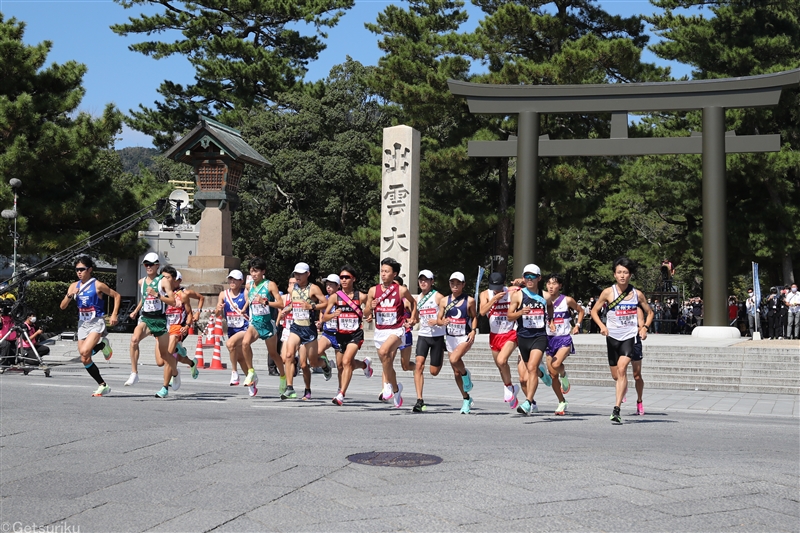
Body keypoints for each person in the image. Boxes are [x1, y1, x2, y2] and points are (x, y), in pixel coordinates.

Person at [590, 257, 653, 424]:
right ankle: (622, 391)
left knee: (623, 368)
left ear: (630, 275)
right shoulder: (608, 292)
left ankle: (616, 409)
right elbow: (594, 311)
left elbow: (650, 312)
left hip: (629, 336)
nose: (622, 275)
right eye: (619, 272)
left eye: (625, 272)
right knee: (616, 375)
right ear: (614, 275)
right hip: (612, 337)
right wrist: (602, 326)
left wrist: (644, 327)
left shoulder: (637, 294)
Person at [59, 256, 120, 396]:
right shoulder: (74, 286)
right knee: (84, 358)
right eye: (77, 270)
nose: (79, 272)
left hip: (96, 322)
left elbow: (116, 296)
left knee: (85, 351)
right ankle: (102, 384)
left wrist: (114, 314)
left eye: (82, 269)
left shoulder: (97, 285)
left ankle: (102, 345)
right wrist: (70, 295)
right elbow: (62, 306)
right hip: (83, 323)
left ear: (90, 270)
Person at [364, 257, 417, 409]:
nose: (383, 274)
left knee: (384, 352)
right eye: (382, 271)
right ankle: (396, 389)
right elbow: (366, 311)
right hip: (380, 330)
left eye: (387, 271)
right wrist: (371, 307)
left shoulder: (401, 290)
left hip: (396, 329)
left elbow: (413, 302)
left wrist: (413, 318)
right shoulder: (373, 290)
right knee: (385, 360)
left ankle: (387, 385)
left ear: (395, 274)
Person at [124, 253, 178, 395]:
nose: (148, 267)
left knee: (164, 356)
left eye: (151, 264)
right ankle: (134, 373)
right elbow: (144, 298)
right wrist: (136, 310)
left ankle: (176, 373)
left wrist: (158, 295)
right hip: (146, 318)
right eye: (146, 264)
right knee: (134, 340)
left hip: (160, 320)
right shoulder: (141, 282)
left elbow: (173, 301)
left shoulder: (163, 281)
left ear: (157, 265)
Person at [320, 265, 373, 406]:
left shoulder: (361, 296)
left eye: (347, 277)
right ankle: (364, 364)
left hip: (355, 334)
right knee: (342, 365)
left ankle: (341, 394)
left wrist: (369, 315)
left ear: (353, 279)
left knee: (346, 361)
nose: (343, 280)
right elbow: (324, 318)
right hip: (340, 335)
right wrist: (333, 315)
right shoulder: (334, 297)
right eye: (341, 277)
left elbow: (368, 312)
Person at [281, 262, 333, 400]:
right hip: (296, 327)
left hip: (309, 329)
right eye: (295, 273)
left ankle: (324, 365)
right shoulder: (293, 289)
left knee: (310, 363)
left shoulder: (313, 288)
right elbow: (293, 303)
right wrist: (287, 310)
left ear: (307, 274)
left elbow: (326, 303)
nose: (297, 276)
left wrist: (312, 306)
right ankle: (290, 388)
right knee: (289, 355)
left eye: (300, 274)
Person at [507, 264, 551, 416]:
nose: (529, 279)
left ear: (539, 278)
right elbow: (509, 316)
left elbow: (550, 306)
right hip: (523, 337)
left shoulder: (545, 296)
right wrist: (520, 312)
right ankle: (542, 373)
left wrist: (550, 320)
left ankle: (528, 402)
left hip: (539, 337)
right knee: (531, 370)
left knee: (531, 368)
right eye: (526, 276)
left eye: (533, 276)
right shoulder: (518, 295)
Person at [479, 271, 522, 410]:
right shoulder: (485, 294)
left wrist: (520, 283)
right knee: (500, 366)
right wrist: (494, 300)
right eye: (493, 287)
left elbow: (530, 291)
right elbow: (482, 312)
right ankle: (511, 389)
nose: (495, 289)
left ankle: (508, 387)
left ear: (504, 284)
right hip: (495, 334)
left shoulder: (512, 292)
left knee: (502, 361)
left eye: (498, 287)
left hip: (510, 332)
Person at [437, 272, 478, 414]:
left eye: (458, 283)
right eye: (452, 283)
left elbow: (474, 317)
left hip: (464, 336)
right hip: (450, 337)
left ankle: (466, 374)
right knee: (455, 371)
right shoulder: (444, 301)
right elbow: (439, 319)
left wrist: (473, 330)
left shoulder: (470, 300)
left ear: (463, 285)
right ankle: (466, 398)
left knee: (455, 359)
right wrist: (442, 322)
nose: (455, 286)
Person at [242, 258, 285, 395]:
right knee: (245, 343)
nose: (254, 274)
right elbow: (249, 298)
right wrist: (244, 308)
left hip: (268, 324)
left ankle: (283, 377)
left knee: (273, 354)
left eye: (256, 271)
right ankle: (251, 372)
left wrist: (265, 302)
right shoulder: (249, 286)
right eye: (251, 271)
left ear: (263, 272)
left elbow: (280, 304)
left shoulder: (270, 285)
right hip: (255, 323)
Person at [545, 273, 584, 416]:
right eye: (548, 283)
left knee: (556, 365)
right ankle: (561, 401)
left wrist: (578, 325)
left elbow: (581, 311)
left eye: (554, 283)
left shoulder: (566, 300)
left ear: (560, 286)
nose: (551, 286)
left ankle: (564, 374)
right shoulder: (542, 301)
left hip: (564, 338)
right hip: (549, 339)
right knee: (552, 375)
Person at [216, 269, 260, 397]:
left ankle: (234, 373)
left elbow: (252, 301)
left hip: (245, 328)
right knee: (241, 358)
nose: (232, 281)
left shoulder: (245, 293)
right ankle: (251, 381)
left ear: (241, 281)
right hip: (232, 329)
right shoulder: (223, 294)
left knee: (230, 344)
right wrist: (218, 309)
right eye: (230, 279)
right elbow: (217, 313)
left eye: (235, 279)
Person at [410, 269, 445, 413]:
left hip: (437, 337)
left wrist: (437, 321)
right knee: (419, 365)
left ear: (432, 282)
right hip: (423, 335)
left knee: (434, 371)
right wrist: (410, 322)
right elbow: (415, 318)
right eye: (421, 280)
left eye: (426, 280)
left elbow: (447, 319)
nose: (423, 282)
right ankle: (419, 400)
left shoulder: (439, 297)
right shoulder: (417, 299)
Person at [162, 266, 200, 385]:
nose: (173, 282)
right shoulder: (163, 293)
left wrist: (197, 312)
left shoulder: (184, 293)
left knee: (170, 356)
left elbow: (201, 298)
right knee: (176, 357)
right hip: (166, 328)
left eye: (175, 279)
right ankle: (192, 363)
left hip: (179, 328)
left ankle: (166, 384)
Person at [318, 273, 344, 392]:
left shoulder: (344, 298)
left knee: (340, 366)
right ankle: (326, 366)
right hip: (328, 332)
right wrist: (320, 322)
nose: (328, 287)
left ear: (338, 286)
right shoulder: (325, 299)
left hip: (340, 334)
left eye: (331, 285)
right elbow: (322, 312)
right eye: (327, 285)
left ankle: (340, 389)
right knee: (316, 351)